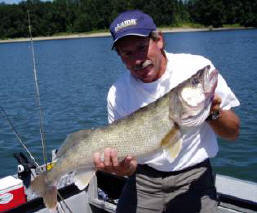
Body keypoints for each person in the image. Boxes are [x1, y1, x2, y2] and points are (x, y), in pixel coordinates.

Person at [93, 10, 240, 213]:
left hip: (194, 178)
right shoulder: (117, 94)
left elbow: (233, 133)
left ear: (159, 40)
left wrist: (212, 113)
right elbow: (130, 164)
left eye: (142, 47)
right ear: (120, 57)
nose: (137, 60)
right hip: (144, 180)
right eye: (127, 53)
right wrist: (123, 168)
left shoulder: (196, 67)